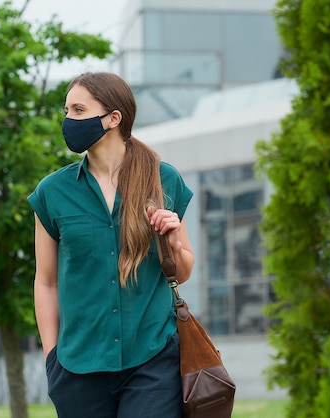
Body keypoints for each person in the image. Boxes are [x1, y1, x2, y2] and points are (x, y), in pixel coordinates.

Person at [27, 72, 195, 418]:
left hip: (152, 359)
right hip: (77, 367)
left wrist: (175, 237)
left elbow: (184, 271)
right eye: (66, 111)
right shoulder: (52, 192)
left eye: (78, 110)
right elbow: (45, 281)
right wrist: (52, 357)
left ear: (113, 118)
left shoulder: (164, 180)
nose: (68, 120)